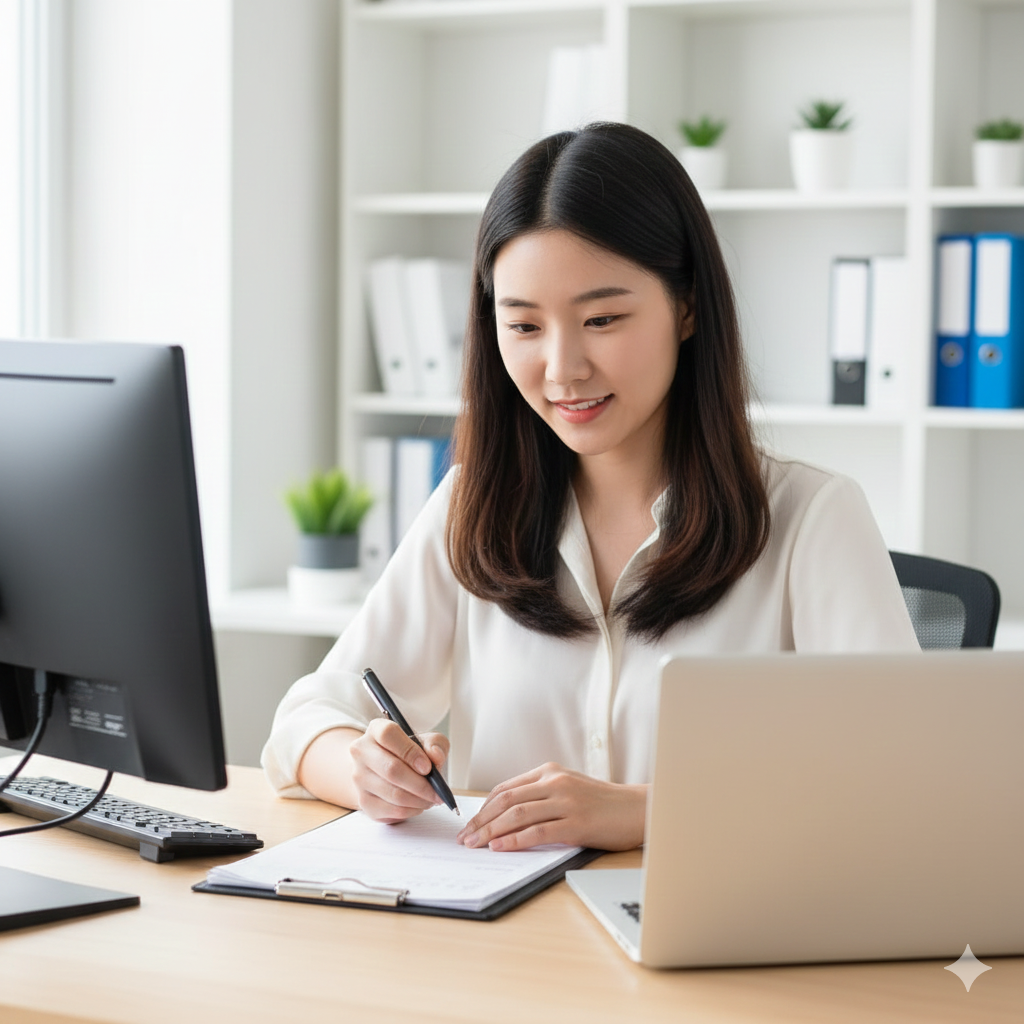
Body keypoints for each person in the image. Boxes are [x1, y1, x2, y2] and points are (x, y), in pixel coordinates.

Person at [262, 122, 919, 855]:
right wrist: (366, 773)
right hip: (499, 941)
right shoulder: (470, 507)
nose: (562, 368)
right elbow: (305, 718)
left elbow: (897, 780)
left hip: (713, 945)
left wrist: (643, 812)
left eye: (602, 319)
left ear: (688, 306)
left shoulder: (812, 521)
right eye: (524, 326)